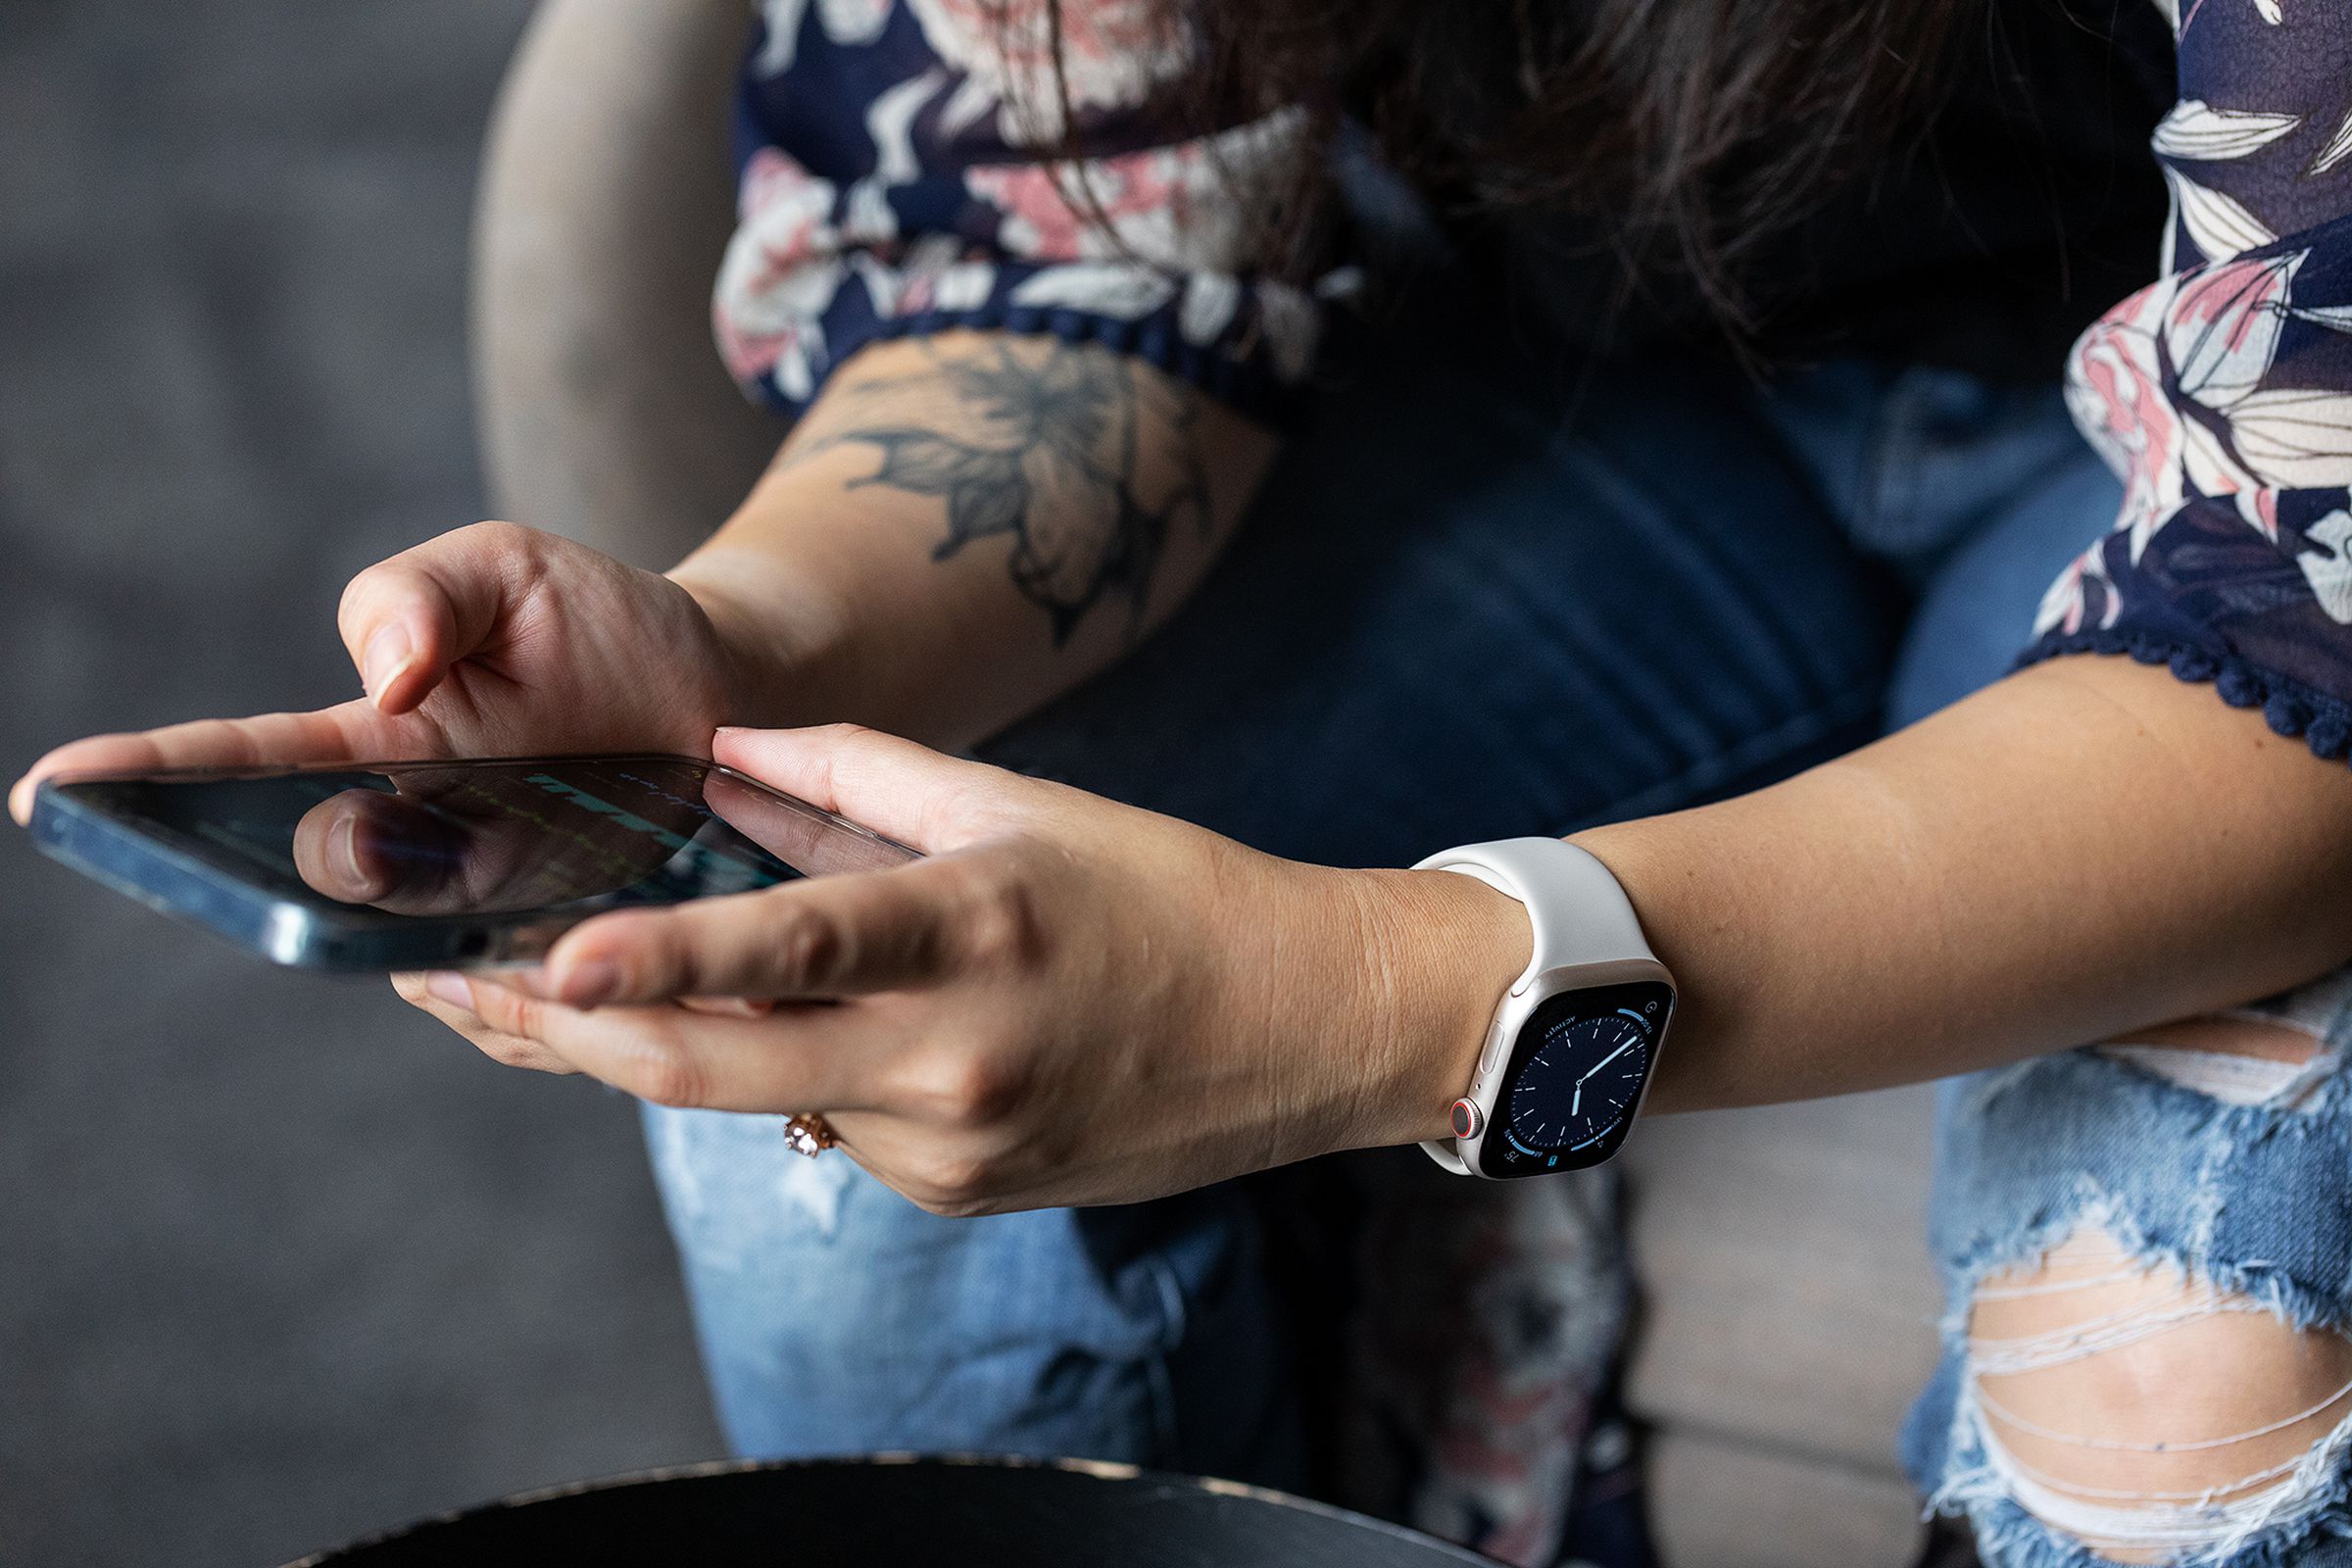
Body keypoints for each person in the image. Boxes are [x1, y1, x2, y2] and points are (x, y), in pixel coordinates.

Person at [20, 0, 2352, 1561]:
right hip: (1564, 389)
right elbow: (1077, 256)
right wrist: (742, 646)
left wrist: (1398, 996)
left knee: (2175, 1338)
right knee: (809, 1067)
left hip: (2230, 474)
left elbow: (2309, 598)